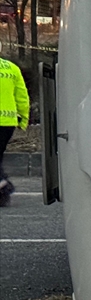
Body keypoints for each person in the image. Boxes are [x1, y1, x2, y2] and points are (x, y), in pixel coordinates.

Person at [0, 42, 31, 205]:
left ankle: (2, 183)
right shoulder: (12, 68)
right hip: (7, 122)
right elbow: (22, 96)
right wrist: (24, 119)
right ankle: (2, 190)